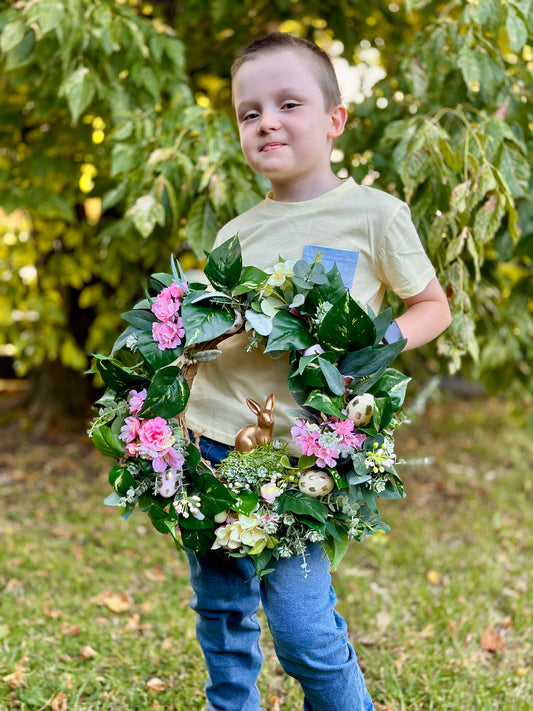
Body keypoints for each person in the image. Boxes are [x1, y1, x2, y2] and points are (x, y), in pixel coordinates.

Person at [185, 32, 451, 711]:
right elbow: (210, 337)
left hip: (300, 461)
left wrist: (371, 343)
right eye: (249, 113)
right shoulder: (234, 234)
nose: (266, 121)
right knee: (222, 611)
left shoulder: (373, 216)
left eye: (287, 104)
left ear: (334, 120)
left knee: (304, 630)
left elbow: (430, 306)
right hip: (212, 446)